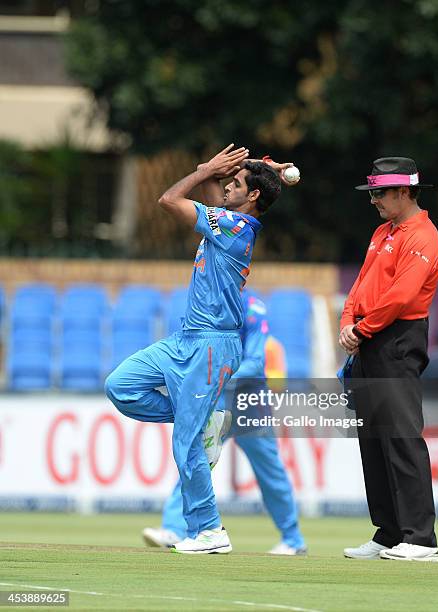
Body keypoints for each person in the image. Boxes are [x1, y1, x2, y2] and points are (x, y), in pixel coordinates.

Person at [105, 144, 292, 554]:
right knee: (120, 386)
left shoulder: (236, 228)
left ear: (254, 196)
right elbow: (212, 188)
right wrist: (251, 166)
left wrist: (207, 167)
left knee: (186, 443)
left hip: (211, 346)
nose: (227, 186)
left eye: (237, 183)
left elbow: (168, 199)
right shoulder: (226, 218)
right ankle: (205, 418)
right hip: (184, 339)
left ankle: (210, 531)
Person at [142, 289, 307, 555]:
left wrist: (214, 378)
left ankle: (293, 539)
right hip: (217, 399)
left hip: (250, 403)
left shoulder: (253, 308)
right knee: (196, 458)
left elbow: (255, 364)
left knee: (270, 471)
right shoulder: (206, 303)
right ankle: (174, 527)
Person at [338, 157, 438, 562]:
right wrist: (349, 320)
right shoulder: (384, 231)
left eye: (380, 193)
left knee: (401, 437)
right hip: (369, 336)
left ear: (404, 191)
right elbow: (361, 285)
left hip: (397, 340)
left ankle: (420, 539)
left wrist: (361, 330)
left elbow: (400, 297)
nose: (374, 201)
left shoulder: (424, 235)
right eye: (373, 193)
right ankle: (388, 532)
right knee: (374, 438)